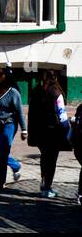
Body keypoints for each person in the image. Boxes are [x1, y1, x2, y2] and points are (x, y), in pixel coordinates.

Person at [27, 70, 71, 199]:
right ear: (56, 78)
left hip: (39, 131)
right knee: (51, 160)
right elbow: (62, 115)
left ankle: (43, 183)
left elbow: (31, 113)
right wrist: (68, 132)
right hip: (53, 132)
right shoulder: (56, 93)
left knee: (44, 157)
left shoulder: (36, 91)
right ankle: (47, 187)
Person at [0, 65, 25, 188]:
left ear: (7, 76)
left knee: (2, 151)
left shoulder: (13, 93)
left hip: (9, 124)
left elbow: (20, 112)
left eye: (1, 74)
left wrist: (24, 129)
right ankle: (15, 165)